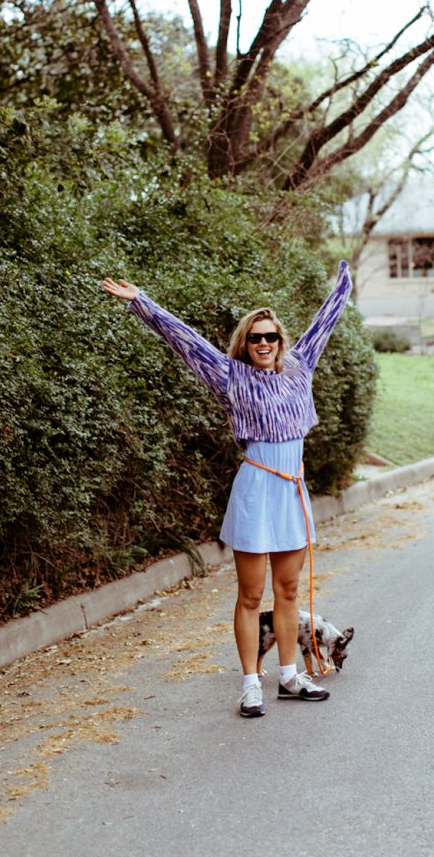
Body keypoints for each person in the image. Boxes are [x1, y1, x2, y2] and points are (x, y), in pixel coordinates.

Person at [101, 260, 352, 718]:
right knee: (251, 595)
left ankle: (290, 676)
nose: (263, 343)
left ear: (281, 341)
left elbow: (324, 323)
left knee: (289, 589)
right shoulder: (229, 376)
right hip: (258, 490)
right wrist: (141, 302)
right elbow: (185, 341)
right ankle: (250, 684)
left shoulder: (300, 367)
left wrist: (343, 286)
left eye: (271, 336)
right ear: (245, 343)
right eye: (255, 337)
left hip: (292, 490)